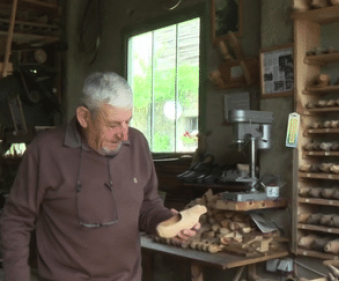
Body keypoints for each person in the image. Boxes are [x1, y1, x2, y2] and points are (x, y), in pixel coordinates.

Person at [0, 72, 199, 281]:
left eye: (127, 122)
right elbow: (16, 220)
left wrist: (165, 221)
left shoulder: (137, 144)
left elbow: (148, 204)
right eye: (113, 125)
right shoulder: (46, 151)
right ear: (84, 117)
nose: (124, 135)